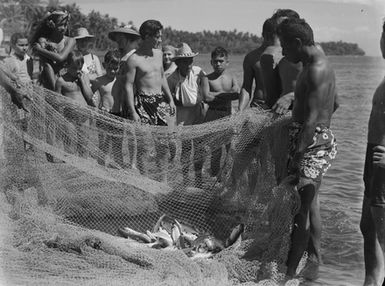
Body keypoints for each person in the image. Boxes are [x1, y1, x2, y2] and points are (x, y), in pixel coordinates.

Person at [276, 18, 338, 279]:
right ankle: (312, 263)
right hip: (311, 139)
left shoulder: (316, 69)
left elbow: (312, 119)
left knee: (302, 209)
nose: (282, 52)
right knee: (308, 205)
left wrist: (300, 156)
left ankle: (289, 272)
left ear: (297, 43)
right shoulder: (313, 63)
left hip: (310, 142)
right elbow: (336, 102)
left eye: (285, 47)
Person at [124, 19, 176, 181]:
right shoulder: (134, 59)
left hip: (160, 103)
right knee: (144, 147)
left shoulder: (159, 54)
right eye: (157, 37)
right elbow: (128, 86)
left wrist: (170, 99)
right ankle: (145, 182)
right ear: (147, 36)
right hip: (142, 104)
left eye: (160, 36)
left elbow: (162, 78)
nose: (160, 40)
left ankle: (164, 181)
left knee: (163, 147)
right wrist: (133, 111)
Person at [360, 21, 385, 286]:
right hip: (372, 153)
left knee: (382, 230)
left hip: (382, 157)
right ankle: (372, 281)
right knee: (368, 226)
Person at [167, 42, 208, 186]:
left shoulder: (198, 72)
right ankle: (185, 180)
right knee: (185, 149)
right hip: (183, 119)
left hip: (198, 115)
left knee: (199, 148)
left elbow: (205, 91)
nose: (189, 63)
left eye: (190, 60)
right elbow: (169, 101)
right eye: (185, 61)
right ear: (178, 63)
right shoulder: (172, 78)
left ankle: (198, 179)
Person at [203, 46, 239, 178]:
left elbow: (237, 94)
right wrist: (226, 94)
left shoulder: (232, 76)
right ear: (211, 62)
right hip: (213, 115)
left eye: (221, 61)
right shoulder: (207, 78)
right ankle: (215, 178)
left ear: (227, 62)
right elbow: (206, 97)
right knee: (215, 151)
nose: (218, 64)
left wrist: (216, 94)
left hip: (228, 115)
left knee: (231, 149)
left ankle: (229, 178)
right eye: (215, 61)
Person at [109, 24, 141, 168]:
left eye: (121, 39)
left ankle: (133, 164)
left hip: (131, 101)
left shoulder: (134, 56)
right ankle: (120, 163)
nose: (118, 41)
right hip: (120, 101)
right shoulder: (122, 56)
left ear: (128, 39)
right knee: (120, 134)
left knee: (132, 134)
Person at [55, 51, 95, 157]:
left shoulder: (84, 77)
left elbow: (89, 96)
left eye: (80, 68)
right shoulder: (61, 81)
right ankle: (70, 165)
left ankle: (83, 168)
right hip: (69, 118)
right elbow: (57, 100)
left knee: (84, 144)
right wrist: (60, 120)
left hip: (84, 117)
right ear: (67, 66)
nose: (77, 71)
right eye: (74, 68)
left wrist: (82, 81)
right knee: (70, 144)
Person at [91, 50, 122, 166]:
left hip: (118, 115)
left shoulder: (120, 81)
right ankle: (101, 166)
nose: (113, 71)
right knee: (103, 143)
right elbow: (89, 95)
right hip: (104, 115)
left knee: (118, 143)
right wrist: (95, 108)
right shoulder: (99, 81)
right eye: (110, 68)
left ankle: (118, 165)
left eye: (116, 68)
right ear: (104, 66)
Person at [31, 10, 76, 90]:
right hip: (49, 82)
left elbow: (60, 58)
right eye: (61, 25)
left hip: (67, 82)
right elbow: (46, 65)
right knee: (48, 65)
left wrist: (40, 50)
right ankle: (56, 93)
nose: (64, 28)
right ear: (52, 24)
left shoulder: (70, 41)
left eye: (65, 25)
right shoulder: (43, 40)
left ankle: (57, 93)